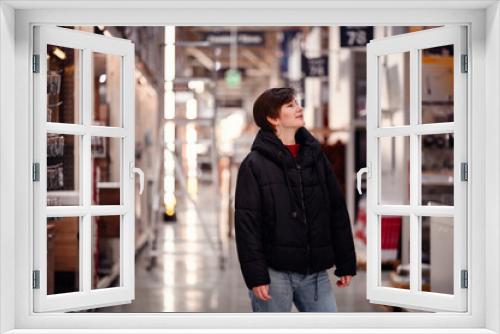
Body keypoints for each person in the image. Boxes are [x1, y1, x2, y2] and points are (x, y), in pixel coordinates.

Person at [234, 87, 357, 312]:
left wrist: (346, 261)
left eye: (297, 103)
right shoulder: (254, 165)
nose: (299, 108)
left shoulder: (315, 157)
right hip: (274, 275)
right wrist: (256, 276)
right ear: (273, 118)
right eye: (290, 105)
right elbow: (247, 225)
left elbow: (336, 210)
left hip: (315, 274)